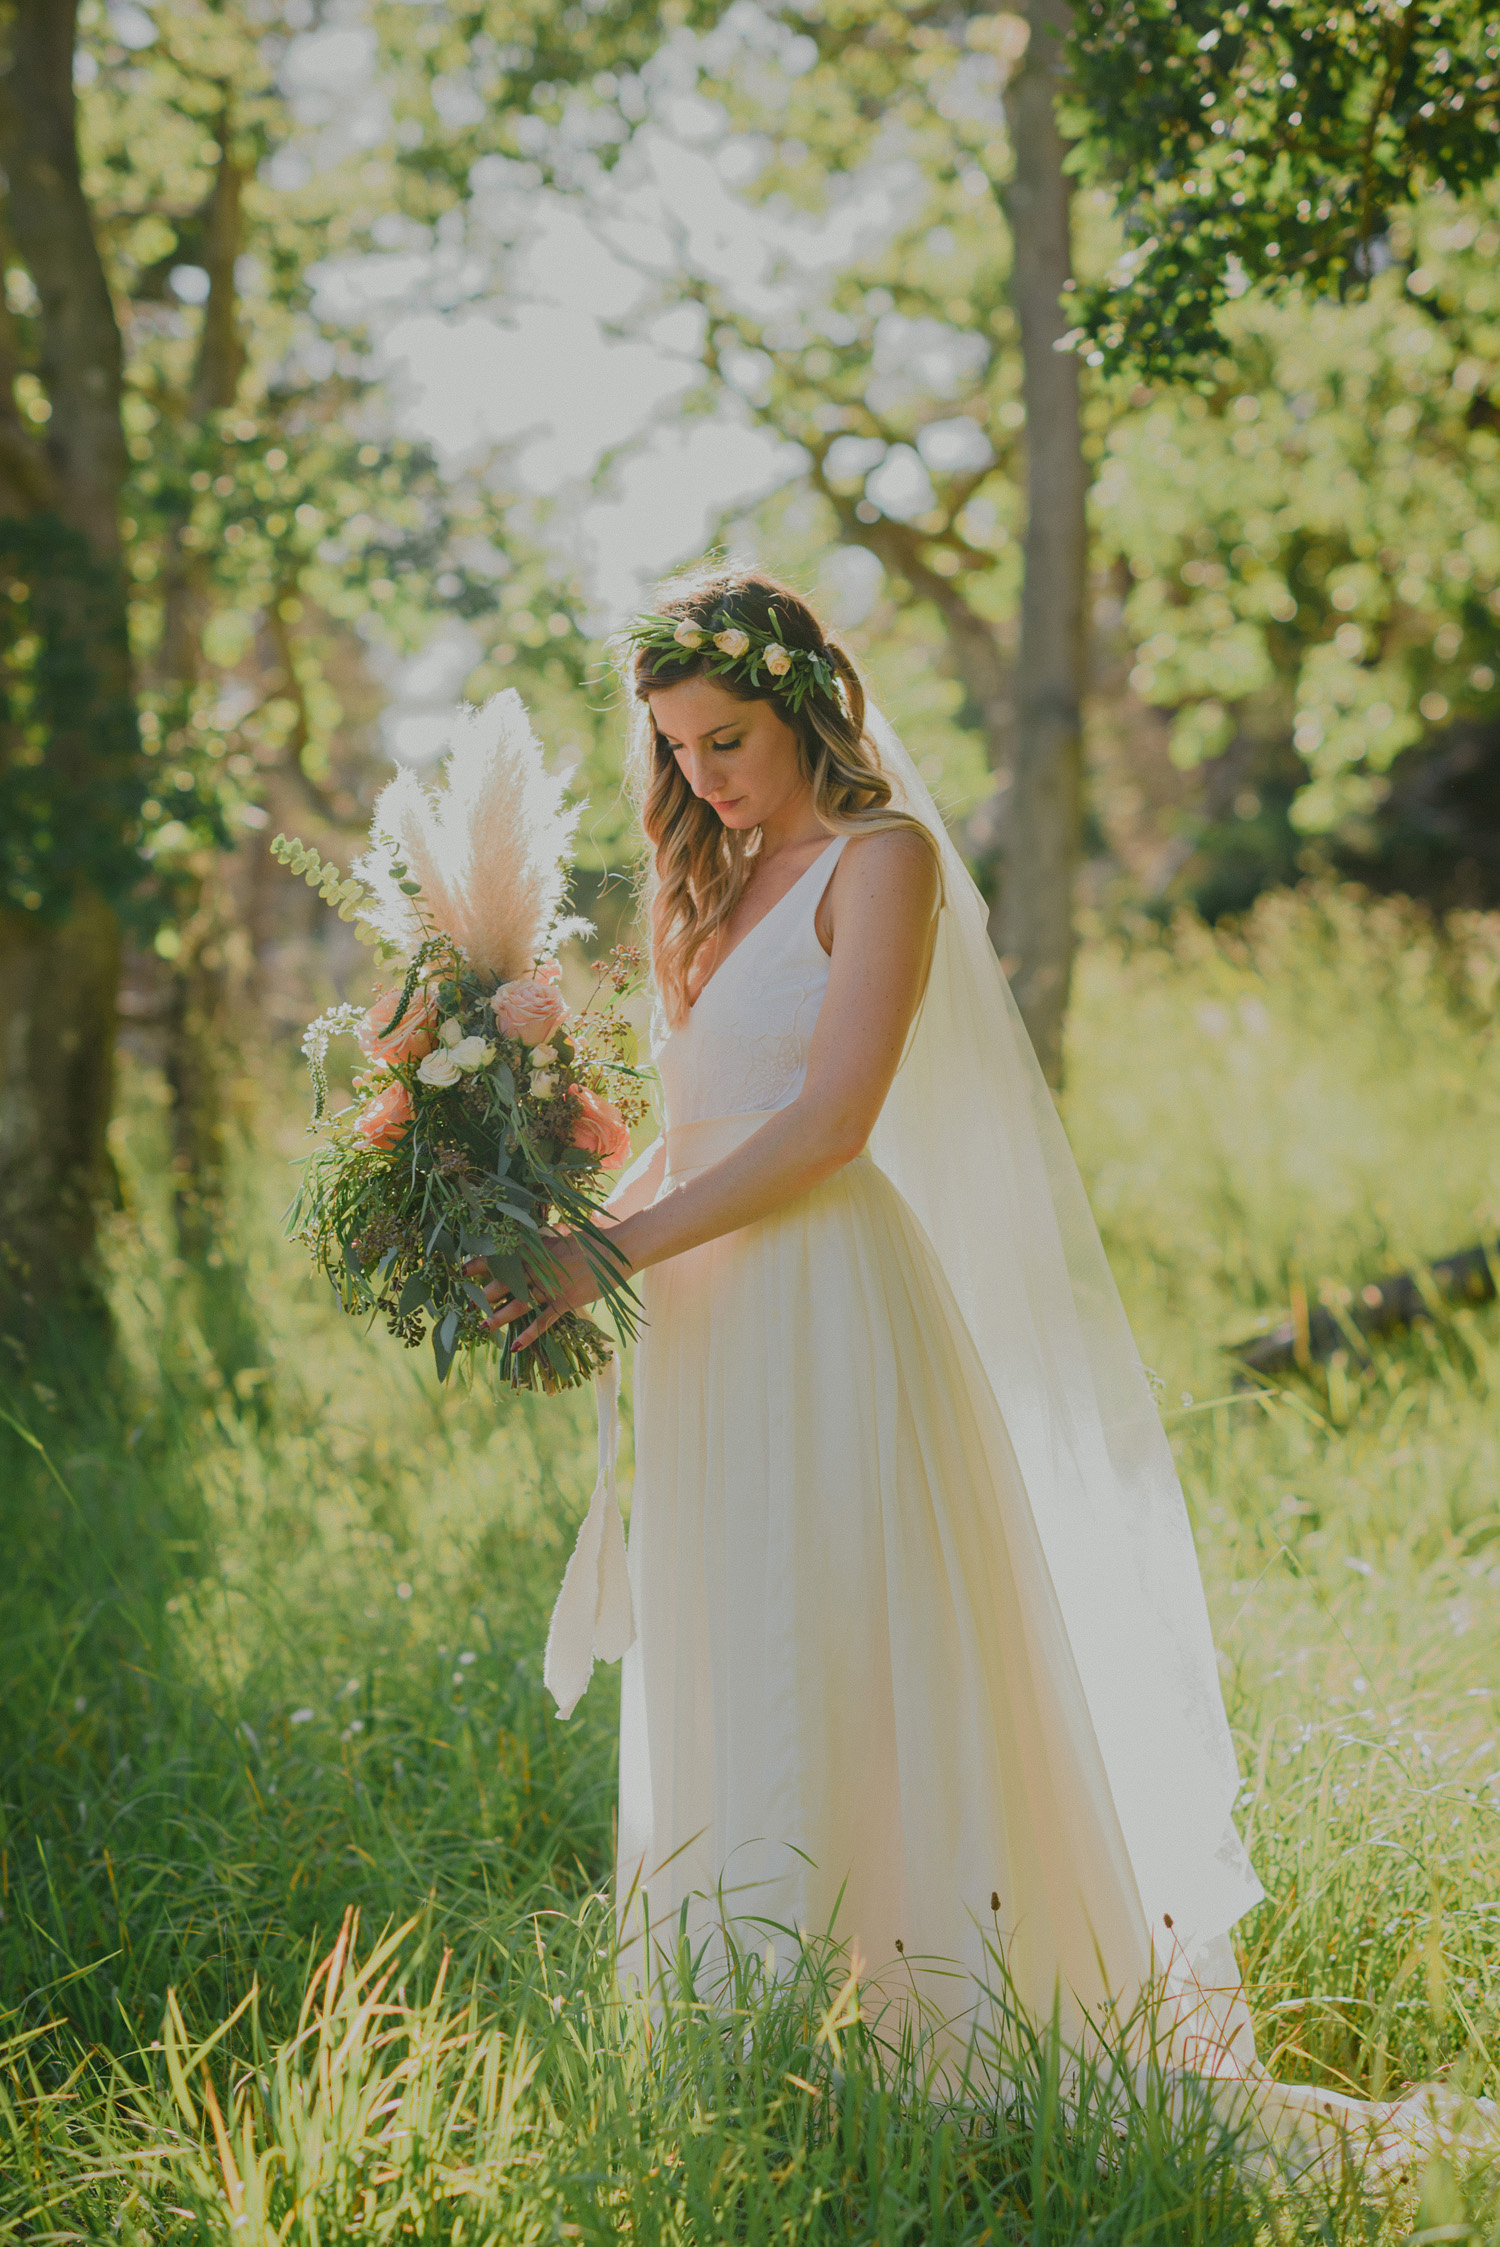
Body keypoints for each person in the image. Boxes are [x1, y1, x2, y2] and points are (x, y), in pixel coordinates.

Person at [477, 564, 1485, 2164]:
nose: (703, 775)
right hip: (711, 1327)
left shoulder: (880, 866)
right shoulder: (717, 887)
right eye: (675, 749)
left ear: (803, 702)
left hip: (827, 1301)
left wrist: (612, 1252)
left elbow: (826, 1126)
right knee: (737, 1633)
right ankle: (763, 2032)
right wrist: (560, 1245)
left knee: (847, 1635)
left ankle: (936, 2020)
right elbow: (694, 1124)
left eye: (726, 738)